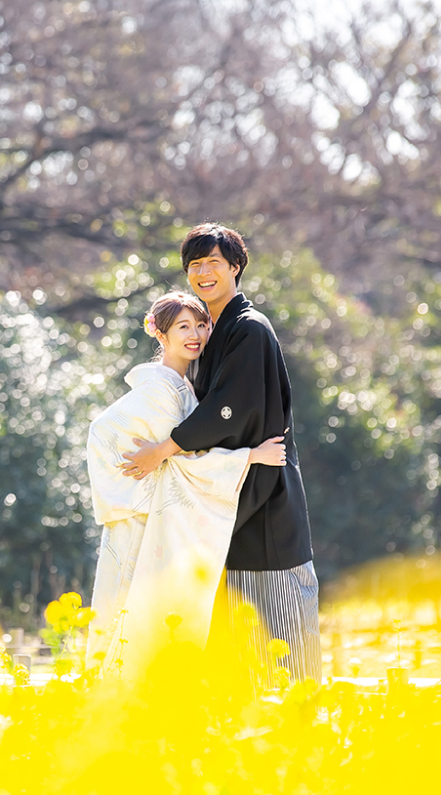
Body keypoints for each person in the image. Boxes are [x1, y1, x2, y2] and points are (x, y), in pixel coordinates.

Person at [121, 224, 321, 688]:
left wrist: (164, 449)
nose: (204, 273)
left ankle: (303, 733)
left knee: (281, 627)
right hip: (233, 493)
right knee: (240, 644)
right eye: (195, 265)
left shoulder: (247, 329)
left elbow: (227, 411)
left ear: (236, 267)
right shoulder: (213, 332)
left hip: (263, 498)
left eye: (214, 262)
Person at [86, 291, 286, 676]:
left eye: (200, 324)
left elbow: (177, 458)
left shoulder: (180, 386)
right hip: (140, 521)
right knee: (130, 615)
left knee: (136, 617)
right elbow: (182, 461)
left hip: (149, 517)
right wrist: (250, 456)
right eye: (182, 326)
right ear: (159, 334)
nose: (194, 334)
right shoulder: (161, 391)